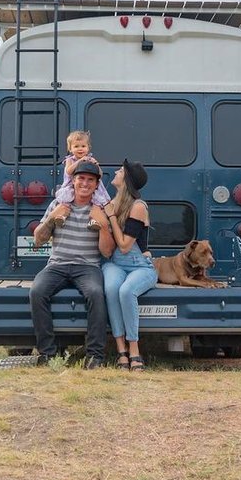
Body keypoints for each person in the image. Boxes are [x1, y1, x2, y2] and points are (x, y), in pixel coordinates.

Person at [30, 160, 115, 368]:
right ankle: (48, 354)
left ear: (97, 185)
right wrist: (52, 218)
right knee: (37, 292)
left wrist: (103, 225)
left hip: (88, 267)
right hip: (57, 264)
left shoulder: (100, 210)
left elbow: (107, 251)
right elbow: (38, 240)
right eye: (81, 179)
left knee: (96, 293)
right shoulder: (58, 204)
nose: (85, 183)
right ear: (73, 181)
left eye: (90, 180)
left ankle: (95, 356)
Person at [101, 159, 157, 371]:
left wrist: (112, 217)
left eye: (120, 170)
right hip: (116, 263)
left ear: (127, 179)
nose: (115, 171)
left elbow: (124, 245)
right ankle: (120, 350)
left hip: (140, 266)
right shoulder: (114, 201)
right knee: (111, 288)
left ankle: (134, 350)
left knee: (126, 291)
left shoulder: (138, 206)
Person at [52, 131, 111, 226]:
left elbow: (100, 174)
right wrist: (79, 161)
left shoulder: (90, 159)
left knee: (96, 202)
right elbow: (69, 171)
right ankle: (62, 217)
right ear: (70, 149)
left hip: (88, 188)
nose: (80, 149)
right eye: (76, 146)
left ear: (88, 148)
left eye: (83, 146)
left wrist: (96, 164)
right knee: (66, 201)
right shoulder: (69, 160)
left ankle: (94, 221)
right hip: (71, 185)